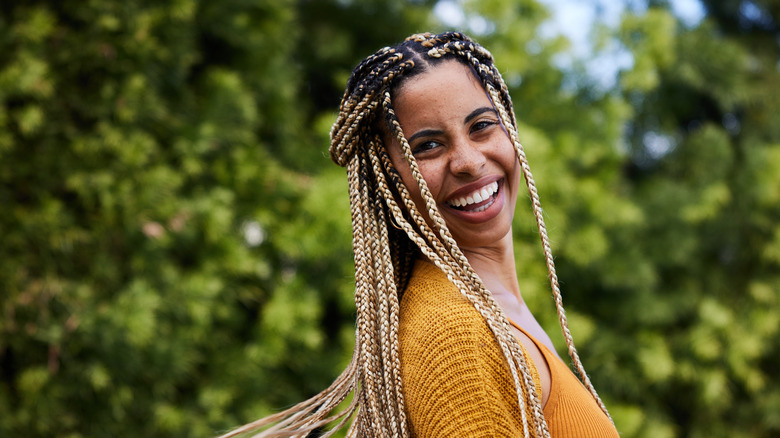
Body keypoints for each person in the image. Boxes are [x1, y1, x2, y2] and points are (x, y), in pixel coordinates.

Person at [220, 31, 619, 438]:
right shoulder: (458, 335)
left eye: (481, 125)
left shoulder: (493, 312)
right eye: (427, 146)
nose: (467, 161)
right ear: (388, 179)